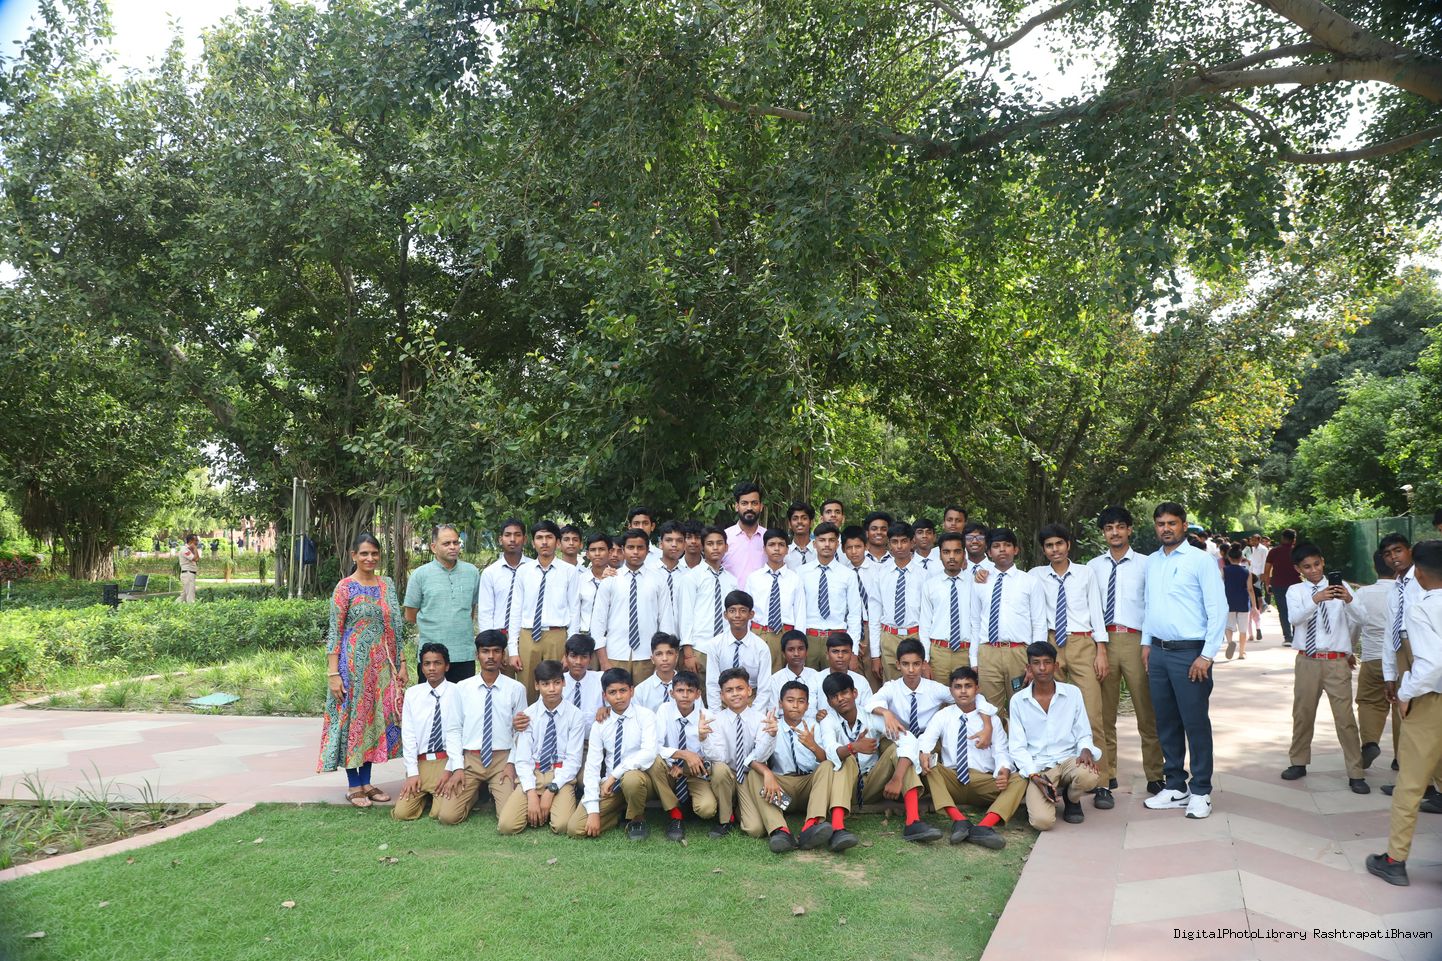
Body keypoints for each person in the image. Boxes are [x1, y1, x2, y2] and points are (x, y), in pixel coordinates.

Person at [1141, 502, 1228, 821]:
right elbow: (1150, 604)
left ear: (1184, 525)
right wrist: (1146, 643)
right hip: (1159, 653)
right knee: (1166, 721)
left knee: (1195, 723)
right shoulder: (1152, 562)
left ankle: (1201, 790)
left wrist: (1207, 655)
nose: (1166, 528)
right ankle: (1176, 785)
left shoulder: (1200, 560)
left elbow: (1218, 608)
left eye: (1172, 523)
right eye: (1160, 523)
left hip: (1190, 654)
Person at [1368, 540, 1442, 886]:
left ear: (1421, 572)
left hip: (1430, 702)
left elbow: (1432, 664)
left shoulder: (1421, 607)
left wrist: (1405, 692)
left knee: (1410, 784)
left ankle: (1394, 860)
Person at [318, 532, 406, 808]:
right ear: (354, 555)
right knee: (352, 723)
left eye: (374, 553)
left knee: (372, 722)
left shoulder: (386, 585)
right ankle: (353, 785)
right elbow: (335, 632)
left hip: (381, 669)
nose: (370, 558)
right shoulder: (345, 587)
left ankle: (367, 783)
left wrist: (402, 664)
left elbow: (396, 628)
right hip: (351, 668)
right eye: (364, 553)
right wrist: (333, 674)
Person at [1086, 507, 1164, 799]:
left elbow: (1154, 605)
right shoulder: (1093, 567)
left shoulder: (1147, 564)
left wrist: (1149, 643)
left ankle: (1155, 775)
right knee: (1104, 714)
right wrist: (1098, 646)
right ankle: (1107, 774)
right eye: (1109, 528)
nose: (1115, 532)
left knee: (1146, 711)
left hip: (1136, 640)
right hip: (1102, 643)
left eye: (1120, 526)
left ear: (1130, 529)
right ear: (1103, 533)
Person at [1279, 543, 1368, 793]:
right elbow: (1294, 619)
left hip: (1336, 661)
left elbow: (1362, 619)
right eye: (1307, 567)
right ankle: (1298, 761)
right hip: (1307, 660)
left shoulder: (1342, 587)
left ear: (1323, 561)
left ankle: (1356, 772)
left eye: (1317, 564)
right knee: (1303, 713)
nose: (1314, 570)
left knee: (1345, 718)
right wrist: (1315, 600)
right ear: (1298, 569)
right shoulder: (1296, 591)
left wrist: (1349, 599)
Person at [1028, 523, 1109, 795]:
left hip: (1082, 642)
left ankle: (1101, 781)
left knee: (1092, 712)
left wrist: (1101, 650)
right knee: (1054, 713)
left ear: (1068, 545)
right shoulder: (1036, 575)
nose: (1055, 550)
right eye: (1049, 546)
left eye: (1059, 544)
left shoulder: (1085, 573)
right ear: (1044, 550)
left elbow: (1096, 612)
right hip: (1051, 644)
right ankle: (1060, 776)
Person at [821, 671, 939, 849]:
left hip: (873, 782)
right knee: (844, 761)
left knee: (899, 750)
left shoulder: (870, 716)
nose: (840, 699)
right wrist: (854, 747)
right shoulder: (827, 721)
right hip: (846, 788)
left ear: (854, 693)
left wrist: (897, 778)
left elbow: (908, 740)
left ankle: (913, 822)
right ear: (829, 702)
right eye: (834, 696)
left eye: (844, 693)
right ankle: (837, 829)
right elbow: (830, 751)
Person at [918, 666, 1026, 848]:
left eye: (968, 686)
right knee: (930, 765)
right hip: (952, 780)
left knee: (1021, 778)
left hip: (982, 780)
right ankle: (959, 820)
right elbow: (926, 740)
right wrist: (924, 753)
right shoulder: (942, 716)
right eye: (958, 686)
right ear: (951, 690)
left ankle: (983, 828)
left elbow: (1001, 751)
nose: (963, 691)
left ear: (977, 689)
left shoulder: (991, 720)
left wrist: (1004, 770)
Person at [437, 631, 529, 825]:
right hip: (470, 759)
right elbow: (453, 730)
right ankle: (472, 795)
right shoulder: (461, 688)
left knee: (509, 821)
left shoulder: (516, 689)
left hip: (502, 759)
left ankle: (494, 792)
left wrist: (512, 763)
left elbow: (521, 731)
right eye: (485, 651)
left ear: (503, 654)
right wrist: (457, 767)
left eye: (496, 651)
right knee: (448, 816)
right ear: (477, 654)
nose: (491, 656)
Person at [1008, 641, 1103, 830]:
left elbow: (1083, 731)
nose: (1042, 668)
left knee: (1089, 775)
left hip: (1068, 760)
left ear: (1056, 666)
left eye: (1047, 662)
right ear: (1028, 668)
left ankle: (1071, 798)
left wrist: (1085, 749)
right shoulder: (1018, 701)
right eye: (1036, 663)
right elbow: (1017, 747)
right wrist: (1034, 775)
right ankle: (1044, 796)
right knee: (1042, 822)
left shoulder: (1072, 693)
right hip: (1040, 766)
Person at [1379, 533, 1442, 806]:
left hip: (1426, 652)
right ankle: (1419, 782)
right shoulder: (1396, 588)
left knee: (1426, 721)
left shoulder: (1427, 577)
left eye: (1398, 550)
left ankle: (1426, 785)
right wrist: (1389, 674)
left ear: (1410, 552)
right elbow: (1390, 631)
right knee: (1409, 720)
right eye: (1387, 553)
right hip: (1404, 651)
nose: (1394, 557)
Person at [743, 681, 837, 853]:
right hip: (781, 792)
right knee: (755, 774)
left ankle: (810, 826)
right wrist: (768, 774)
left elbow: (827, 760)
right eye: (790, 700)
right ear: (781, 703)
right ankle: (780, 831)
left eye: (801, 701)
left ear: (807, 705)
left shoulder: (815, 726)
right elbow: (751, 759)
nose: (795, 705)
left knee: (827, 765)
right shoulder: (772, 725)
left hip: (809, 788)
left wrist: (813, 745)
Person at [568, 667, 658, 840]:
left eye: (623, 690)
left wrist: (615, 775)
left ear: (632, 691)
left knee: (631, 778)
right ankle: (618, 814)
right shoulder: (600, 724)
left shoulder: (645, 716)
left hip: (641, 782)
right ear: (604, 696)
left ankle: (637, 819)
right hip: (611, 787)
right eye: (612, 692)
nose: (618, 697)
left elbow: (648, 753)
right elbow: (592, 766)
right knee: (575, 828)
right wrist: (593, 811)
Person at [497, 660, 585, 835]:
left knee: (562, 825)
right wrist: (531, 794)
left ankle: (555, 802)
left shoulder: (575, 716)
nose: (552, 689)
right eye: (545, 684)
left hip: (560, 774)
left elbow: (574, 761)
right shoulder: (528, 715)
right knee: (506, 826)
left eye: (556, 683)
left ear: (563, 683)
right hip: (534, 773)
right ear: (537, 686)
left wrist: (551, 791)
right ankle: (537, 804)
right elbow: (523, 760)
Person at [971, 528, 1046, 719]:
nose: (1002, 549)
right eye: (996, 546)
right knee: (989, 712)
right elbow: (975, 623)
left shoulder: (1030, 582)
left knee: (1024, 709)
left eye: (1007, 545)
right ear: (989, 552)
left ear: (1016, 550)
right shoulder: (980, 582)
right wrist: (974, 660)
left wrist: (1035, 661)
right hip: (988, 652)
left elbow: (1039, 623)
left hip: (1019, 653)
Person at [591, 528, 677, 682]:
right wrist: (604, 661)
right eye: (631, 547)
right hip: (615, 654)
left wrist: (662, 656)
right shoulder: (610, 580)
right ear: (623, 550)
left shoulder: (658, 580)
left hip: (648, 656)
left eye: (640, 547)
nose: (635, 552)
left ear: (647, 550)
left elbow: (666, 621)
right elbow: (598, 623)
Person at [509, 520, 581, 701]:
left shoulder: (569, 572)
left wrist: (570, 650)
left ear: (557, 542)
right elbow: (515, 611)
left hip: (557, 636)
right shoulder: (523, 572)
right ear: (533, 542)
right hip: (528, 636)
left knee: (555, 687)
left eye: (549, 537)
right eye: (539, 538)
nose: (544, 542)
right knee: (527, 687)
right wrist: (513, 649)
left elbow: (574, 611)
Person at [393, 642, 463, 821]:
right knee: (402, 813)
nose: (432, 668)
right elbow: (408, 735)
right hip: (421, 762)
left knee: (441, 813)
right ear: (421, 667)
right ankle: (424, 795)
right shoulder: (412, 694)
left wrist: (451, 768)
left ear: (447, 666)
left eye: (437, 663)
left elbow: (459, 733)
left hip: (446, 760)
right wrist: (412, 773)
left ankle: (438, 797)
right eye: (427, 664)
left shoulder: (458, 692)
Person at [404, 524, 482, 683]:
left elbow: (471, 610)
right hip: (431, 657)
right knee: (431, 698)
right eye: (446, 543)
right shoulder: (420, 575)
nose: (453, 547)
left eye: (456, 542)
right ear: (433, 547)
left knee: (462, 698)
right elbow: (410, 615)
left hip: (464, 654)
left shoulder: (472, 572)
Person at [648, 669, 717, 842]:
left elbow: (714, 755)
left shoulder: (707, 716)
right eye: (680, 690)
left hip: (696, 771)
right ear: (672, 693)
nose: (685, 695)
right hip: (671, 768)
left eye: (690, 691)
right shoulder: (664, 710)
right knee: (654, 761)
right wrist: (683, 755)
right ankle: (675, 815)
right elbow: (655, 746)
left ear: (698, 694)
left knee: (707, 809)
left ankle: (689, 805)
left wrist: (703, 740)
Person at [705, 667, 769, 838]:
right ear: (722, 695)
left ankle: (738, 808)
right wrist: (704, 739)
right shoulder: (716, 721)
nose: (735, 694)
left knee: (755, 829)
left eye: (739, 688)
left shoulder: (761, 719)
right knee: (719, 768)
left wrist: (771, 736)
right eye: (729, 690)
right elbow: (719, 756)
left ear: (749, 690)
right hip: (728, 775)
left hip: (750, 775)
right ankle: (724, 820)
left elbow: (761, 755)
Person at [1353, 550, 1396, 771]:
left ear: (1374, 567)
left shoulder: (1363, 593)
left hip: (1372, 657)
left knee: (1369, 702)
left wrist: (1350, 650)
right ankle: (1402, 757)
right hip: (1401, 659)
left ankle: (1370, 742)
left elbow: (1354, 624)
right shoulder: (1407, 591)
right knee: (1403, 707)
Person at [918, 532, 979, 690]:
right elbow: (925, 625)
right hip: (938, 653)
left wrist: (974, 660)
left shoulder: (975, 584)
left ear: (964, 554)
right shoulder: (930, 585)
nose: (951, 557)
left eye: (957, 552)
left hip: (966, 652)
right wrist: (925, 660)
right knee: (938, 698)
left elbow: (977, 623)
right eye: (946, 552)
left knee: (965, 698)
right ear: (940, 555)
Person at [801, 522, 863, 670]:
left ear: (837, 544)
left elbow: (854, 614)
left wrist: (853, 650)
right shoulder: (801, 573)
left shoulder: (848, 575)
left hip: (838, 638)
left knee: (836, 682)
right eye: (822, 540)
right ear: (814, 544)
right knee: (807, 682)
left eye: (831, 540)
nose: (827, 544)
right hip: (809, 638)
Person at [677, 524, 736, 674]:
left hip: (726, 648)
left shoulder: (731, 580)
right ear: (702, 547)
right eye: (710, 544)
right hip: (700, 649)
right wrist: (688, 653)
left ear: (726, 547)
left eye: (719, 543)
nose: (715, 548)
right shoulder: (692, 577)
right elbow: (685, 615)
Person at [744, 529, 806, 669]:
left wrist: (798, 641)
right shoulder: (754, 578)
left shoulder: (795, 579)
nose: (776, 549)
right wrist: (746, 638)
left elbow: (800, 613)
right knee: (757, 674)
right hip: (759, 633)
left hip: (785, 635)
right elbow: (747, 611)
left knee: (783, 676)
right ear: (764, 549)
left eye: (781, 545)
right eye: (772, 544)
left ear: (787, 549)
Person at [871, 521, 923, 682]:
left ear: (912, 542)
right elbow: (874, 614)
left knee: (916, 683)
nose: (899, 546)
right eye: (894, 542)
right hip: (889, 636)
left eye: (904, 541)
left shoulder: (924, 575)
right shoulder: (881, 573)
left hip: (915, 635)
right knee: (892, 686)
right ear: (889, 544)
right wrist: (875, 655)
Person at [705, 590, 771, 709]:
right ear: (725, 615)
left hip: (751, 699)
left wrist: (755, 715)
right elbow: (712, 684)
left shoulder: (761, 648)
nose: (737, 615)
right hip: (724, 699)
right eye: (732, 611)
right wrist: (716, 714)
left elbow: (764, 688)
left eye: (743, 611)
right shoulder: (715, 644)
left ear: (751, 614)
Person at [476, 518, 533, 637]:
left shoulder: (534, 569)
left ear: (525, 539)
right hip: (499, 635)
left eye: (517, 535)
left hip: (528, 634)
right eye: (507, 535)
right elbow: (485, 611)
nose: (512, 539)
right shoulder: (490, 573)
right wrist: (488, 639)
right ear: (500, 540)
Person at [757, 631, 825, 721]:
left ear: (806, 652)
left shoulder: (816, 677)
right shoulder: (775, 680)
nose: (796, 653)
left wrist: (820, 716)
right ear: (783, 653)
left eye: (800, 649)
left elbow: (822, 710)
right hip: (783, 726)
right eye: (791, 649)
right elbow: (773, 713)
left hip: (812, 726)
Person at [722, 482, 767, 585]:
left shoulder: (769, 539)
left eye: (754, 503)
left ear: (761, 506)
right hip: (732, 595)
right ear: (736, 506)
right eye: (744, 503)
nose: (749, 508)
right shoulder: (724, 538)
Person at [1264, 529, 1300, 647]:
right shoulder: (1297, 551)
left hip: (1278, 584)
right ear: (1294, 539)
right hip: (1296, 585)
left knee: (1283, 611)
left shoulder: (1274, 551)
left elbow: (1267, 570)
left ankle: (1288, 637)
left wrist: (1267, 584)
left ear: (1282, 538)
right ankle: (1297, 636)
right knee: (1296, 610)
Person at [574, 533, 615, 636]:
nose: (597, 553)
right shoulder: (579, 580)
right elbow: (574, 612)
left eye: (601, 549)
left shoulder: (617, 579)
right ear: (587, 554)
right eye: (593, 550)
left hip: (610, 636)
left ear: (610, 552)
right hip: (584, 636)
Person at [822, 631, 874, 710]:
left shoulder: (861, 681)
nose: (840, 656)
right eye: (835, 651)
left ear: (851, 655)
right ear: (827, 655)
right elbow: (810, 711)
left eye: (845, 651)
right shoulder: (815, 680)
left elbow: (868, 710)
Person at [633, 632, 683, 710]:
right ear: (652, 659)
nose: (664, 658)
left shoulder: (689, 687)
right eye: (659, 654)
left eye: (669, 653)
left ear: (676, 657)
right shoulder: (641, 691)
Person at [561, 634, 603, 720]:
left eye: (584, 657)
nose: (578, 662)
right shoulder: (556, 683)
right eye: (573, 656)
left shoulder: (601, 680)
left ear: (590, 658)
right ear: (566, 657)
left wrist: (608, 709)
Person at [1222, 546, 1253, 660]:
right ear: (1241, 558)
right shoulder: (1246, 572)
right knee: (1243, 629)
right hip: (1243, 602)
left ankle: (1230, 642)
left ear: (1229, 558)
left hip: (1228, 601)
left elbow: (1220, 586)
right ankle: (1241, 653)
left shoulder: (1224, 570)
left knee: (1228, 626)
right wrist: (1254, 605)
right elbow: (1250, 589)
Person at [785, 501, 816, 569]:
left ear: (811, 523)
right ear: (789, 524)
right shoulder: (784, 553)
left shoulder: (819, 551)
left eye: (804, 518)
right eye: (795, 519)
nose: (799, 522)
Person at [178, 533, 200, 603]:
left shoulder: (189, 549)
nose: (197, 542)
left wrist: (194, 549)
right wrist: (195, 548)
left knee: (183, 596)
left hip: (189, 574)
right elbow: (195, 559)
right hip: (188, 573)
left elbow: (197, 559)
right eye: (196, 540)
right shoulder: (184, 549)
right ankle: (192, 608)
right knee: (191, 595)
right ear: (191, 541)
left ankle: (173, 606)